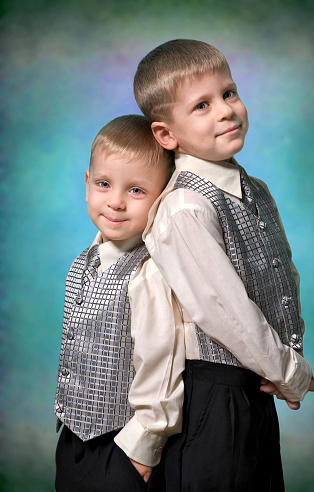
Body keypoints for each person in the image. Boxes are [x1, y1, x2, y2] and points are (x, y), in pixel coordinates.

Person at [133, 39, 314, 491]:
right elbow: (224, 310)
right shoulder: (186, 207)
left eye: (229, 93)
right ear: (166, 135)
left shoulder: (254, 188)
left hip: (255, 384)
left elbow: (279, 272)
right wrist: (288, 371)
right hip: (213, 397)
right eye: (202, 105)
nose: (225, 111)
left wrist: (282, 358)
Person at [54, 114, 186, 492]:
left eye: (136, 191)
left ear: (161, 198)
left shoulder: (150, 273)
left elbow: (161, 362)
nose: (115, 202)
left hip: (123, 446)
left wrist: (142, 448)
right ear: (86, 184)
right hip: (73, 437)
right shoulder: (85, 259)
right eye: (104, 184)